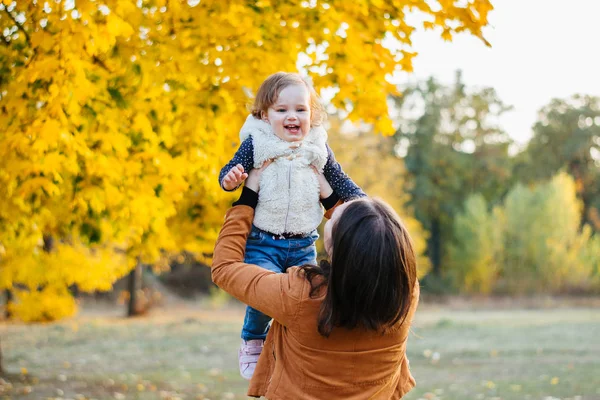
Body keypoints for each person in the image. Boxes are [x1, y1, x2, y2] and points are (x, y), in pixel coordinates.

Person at [212, 165, 420, 399]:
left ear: (335, 247)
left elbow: (225, 267)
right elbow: (366, 244)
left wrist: (248, 197)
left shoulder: (302, 295)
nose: (334, 208)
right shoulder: (405, 292)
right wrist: (329, 194)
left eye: (336, 214)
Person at [218, 72, 365, 379]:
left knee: (311, 297)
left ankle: (300, 346)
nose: (292, 117)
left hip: (302, 243)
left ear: (313, 114)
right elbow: (230, 171)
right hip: (263, 240)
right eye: (281, 110)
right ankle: (252, 339)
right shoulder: (257, 143)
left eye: (300, 109)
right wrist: (231, 179)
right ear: (264, 115)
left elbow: (339, 179)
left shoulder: (318, 148)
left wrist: (360, 200)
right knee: (265, 291)